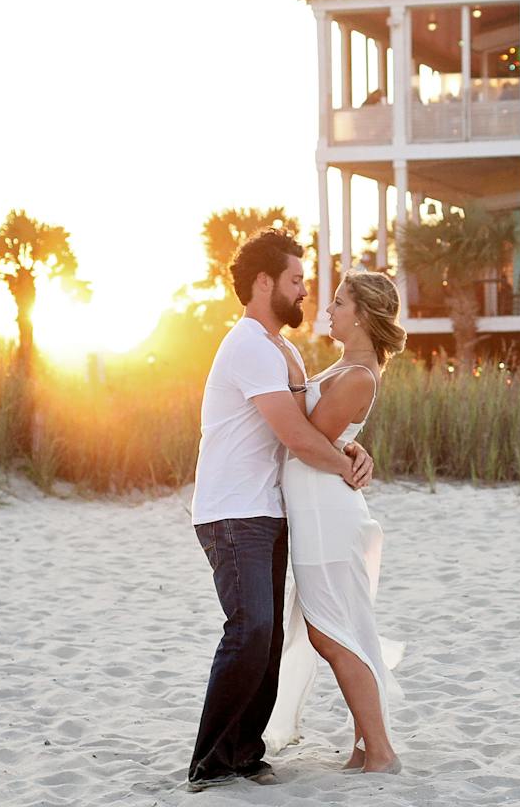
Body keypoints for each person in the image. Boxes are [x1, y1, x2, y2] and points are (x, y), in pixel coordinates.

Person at [187, 230, 375, 793]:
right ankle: (210, 762)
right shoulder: (246, 343)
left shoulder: (283, 349)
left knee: (266, 639)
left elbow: (316, 426)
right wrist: (344, 466)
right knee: (251, 630)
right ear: (264, 283)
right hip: (231, 511)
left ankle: (244, 753)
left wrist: (350, 448)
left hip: (267, 509)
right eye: (296, 280)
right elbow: (294, 435)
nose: (304, 292)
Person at [265, 270, 407, 775]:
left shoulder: (358, 376)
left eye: (341, 302)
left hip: (327, 514)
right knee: (338, 628)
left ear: (364, 314)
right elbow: (328, 437)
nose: (329, 308)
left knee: (332, 633)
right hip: (317, 510)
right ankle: (366, 746)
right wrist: (350, 446)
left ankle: (381, 751)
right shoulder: (344, 369)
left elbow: (306, 439)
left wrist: (344, 449)